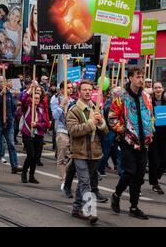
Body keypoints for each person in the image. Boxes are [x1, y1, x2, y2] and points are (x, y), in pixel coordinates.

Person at [109, 67, 155, 220]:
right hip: (127, 142)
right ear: (130, 78)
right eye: (138, 76)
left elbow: (150, 115)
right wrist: (124, 132)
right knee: (130, 172)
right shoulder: (120, 96)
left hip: (144, 143)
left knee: (140, 176)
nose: (141, 79)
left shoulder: (147, 96)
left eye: (142, 77)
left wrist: (151, 131)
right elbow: (112, 118)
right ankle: (116, 194)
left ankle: (134, 207)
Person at [66, 79, 107, 224]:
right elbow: (73, 130)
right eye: (84, 89)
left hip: (94, 152)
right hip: (79, 152)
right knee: (84, 182)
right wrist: (90, 124)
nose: (88, 92)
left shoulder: (96, 108)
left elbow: (105, 131)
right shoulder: (74, 110)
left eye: (90, 90)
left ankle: (77, 208)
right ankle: (90, 211)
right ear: (79, 92)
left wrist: (101, 122)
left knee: (85, 182)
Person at [0, 77, 22, 174]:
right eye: (0, 82)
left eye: (4, 81)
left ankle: (15, 165)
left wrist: (11, 117)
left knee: (11, 145)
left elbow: (13, 106)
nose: (2, 83)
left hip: (8, 123)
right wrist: (1, 95)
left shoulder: (8, 92)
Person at [20, 90, 50, 184]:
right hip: (28, 134)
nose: (37, 100)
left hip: (38, 135)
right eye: (35, 98)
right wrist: (30, 90)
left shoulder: (41, 109)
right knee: (31, 155)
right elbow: (23, 100)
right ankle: (24, 173)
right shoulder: (27, 107)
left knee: (36, 157)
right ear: (31, 98)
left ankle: (31, 176)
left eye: (38, 98)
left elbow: (46, 124)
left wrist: (37, 124)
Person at [50, 80, 74, 194]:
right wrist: (62, 105)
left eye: (71, 87)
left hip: (72, 132)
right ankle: (63, 180)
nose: (70, 89)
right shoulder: (56, 99)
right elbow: (54, 115)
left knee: (73, 158)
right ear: (62, 89)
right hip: (61, 130)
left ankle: (68, 177)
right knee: (62, 157)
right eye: (68, 87)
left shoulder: (74, 100)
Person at [149, 81, 166, 194]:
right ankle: (154, 183)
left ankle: (158, 174)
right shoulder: (149, 101)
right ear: (153, 90)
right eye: (156, 88)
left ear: (163, 88)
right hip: (153, 133)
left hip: (164, 133)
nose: (158, 89)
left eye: (159, 87)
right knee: (154, 159)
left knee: (164, 158)